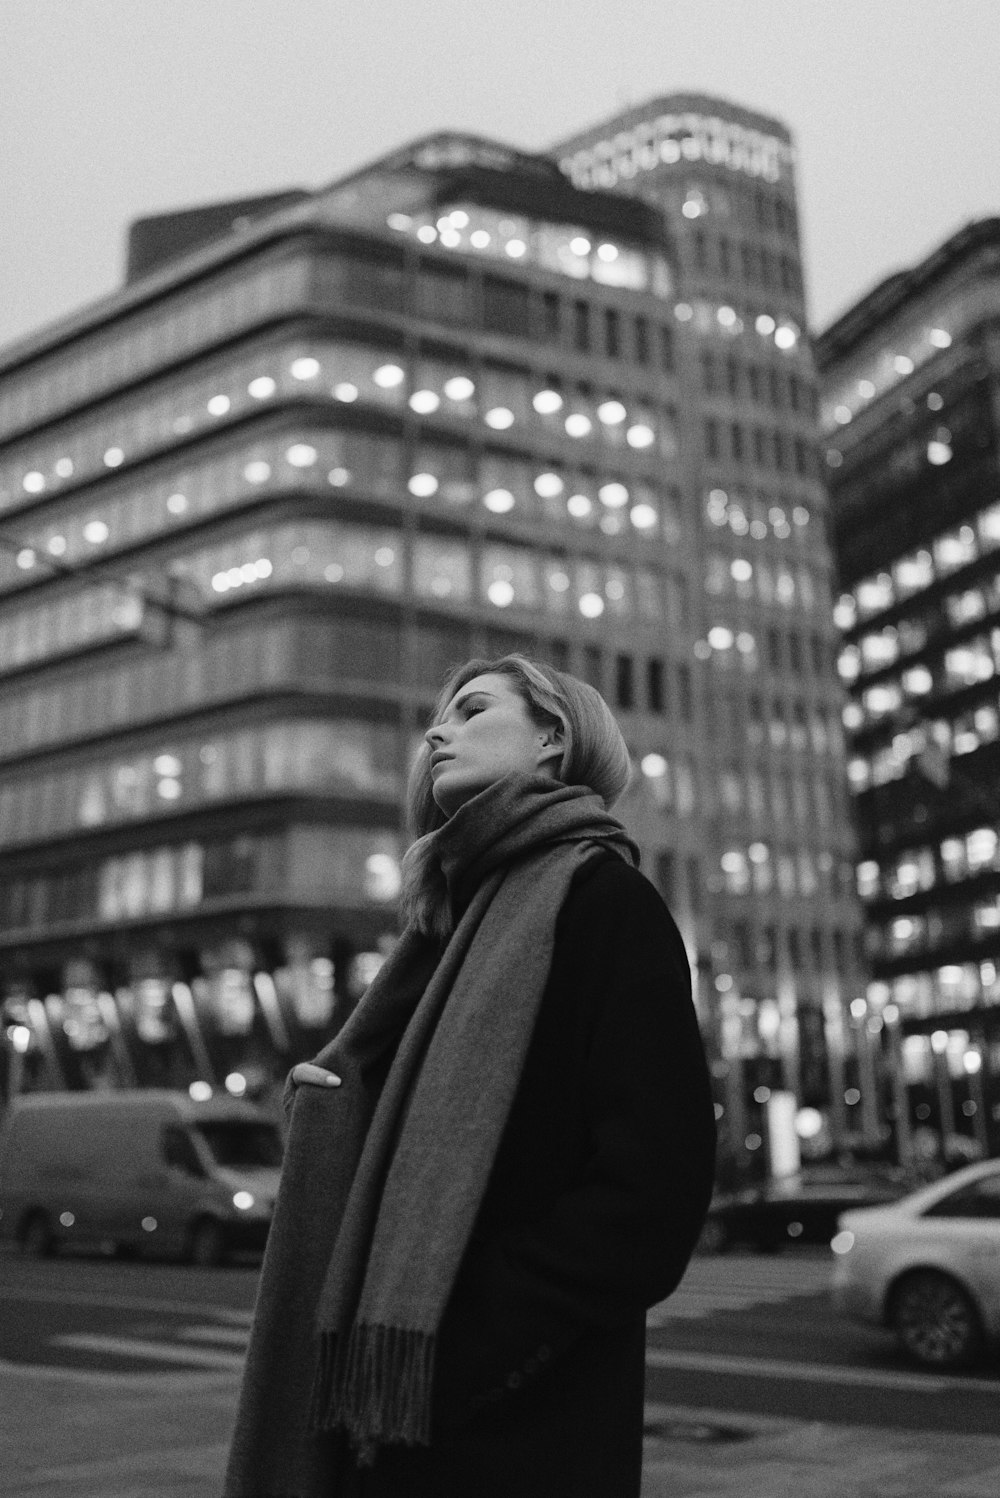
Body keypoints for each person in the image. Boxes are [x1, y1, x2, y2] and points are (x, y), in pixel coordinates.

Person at [224, 654, 716, 1498]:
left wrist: (466, 1346)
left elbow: (653, 1194)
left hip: (514, 1435)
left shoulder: (603, 901)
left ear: (553, 738)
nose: (435, 732)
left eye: (473, 709)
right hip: (394, 1428)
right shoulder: (443, 936)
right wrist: (342, 1113)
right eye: (435, 720)